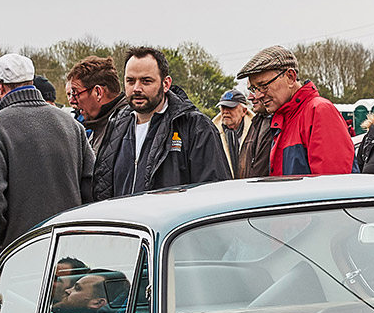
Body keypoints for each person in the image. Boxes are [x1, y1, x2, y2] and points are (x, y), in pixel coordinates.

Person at [0, 53, 94, 255]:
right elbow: (91, 188)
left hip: (20, 254)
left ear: (1, 87)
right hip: (69, 252)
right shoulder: (72, 125)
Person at [92, 47, 229, 199]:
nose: (137, 88)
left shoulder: (195, 127)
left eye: (146, 81)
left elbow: (215, 195)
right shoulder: (116, 126)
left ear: (166, 83)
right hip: (126, 222)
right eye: (130, 81)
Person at [237, 45, 354, 176]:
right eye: (254, 89)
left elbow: (334, 187)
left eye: (264, 86)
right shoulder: (285, 119)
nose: (258, 95)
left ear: (290, 77)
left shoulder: (319, 111)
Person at [67, 55, 127, 157]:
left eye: (76, 93)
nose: (72, 101)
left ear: (98, 92)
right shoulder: (100, 125)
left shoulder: (127, 130)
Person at [217, 89, 252, 176]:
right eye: (223, 107)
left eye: (231, 107)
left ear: (244, 111)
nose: (225, 111)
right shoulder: (213, 132)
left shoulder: (255, 130)